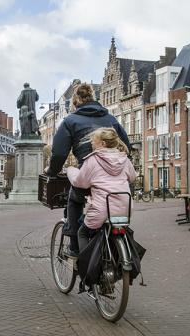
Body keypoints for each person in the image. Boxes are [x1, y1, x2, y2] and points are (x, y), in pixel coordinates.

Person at [46, 83, 131, 256]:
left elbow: (59, 153)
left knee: (74, 198)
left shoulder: (70, 121)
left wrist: (52, 171)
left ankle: (76, 247)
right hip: (117, 177)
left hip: (90, 172)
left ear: (75, 101)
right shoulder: (110, 119)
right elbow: (126, 145)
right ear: (93, 97)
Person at [66, 128, 136, 254]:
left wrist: (70, 170)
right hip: (125, 208)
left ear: (102, 144)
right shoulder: (124, 159)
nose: (91, 144)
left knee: (82, 232)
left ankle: (85, 267)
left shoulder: (93, 160)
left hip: (102, 209)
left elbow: (80, 182)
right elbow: (132, 177)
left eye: (93, 141)